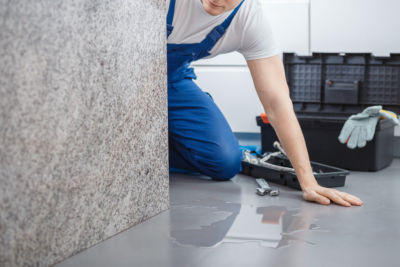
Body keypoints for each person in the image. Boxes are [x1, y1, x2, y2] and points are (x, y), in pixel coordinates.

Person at [167, 0, 363, 207]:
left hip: (173, 82)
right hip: (130, 75)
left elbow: (277, 102)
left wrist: (309, 183)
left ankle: (163, 142)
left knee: (224, 163)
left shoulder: (249, 20)